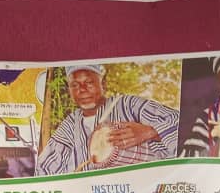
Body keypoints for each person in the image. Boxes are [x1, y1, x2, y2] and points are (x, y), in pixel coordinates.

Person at [38, 64, 178, 175]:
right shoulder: (71, 123)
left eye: (89, 82)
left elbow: (179, 122)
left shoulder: (128, 105)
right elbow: (44, 168)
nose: (82, 89)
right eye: (75, 85)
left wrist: (150, 132)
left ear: (103, 84)